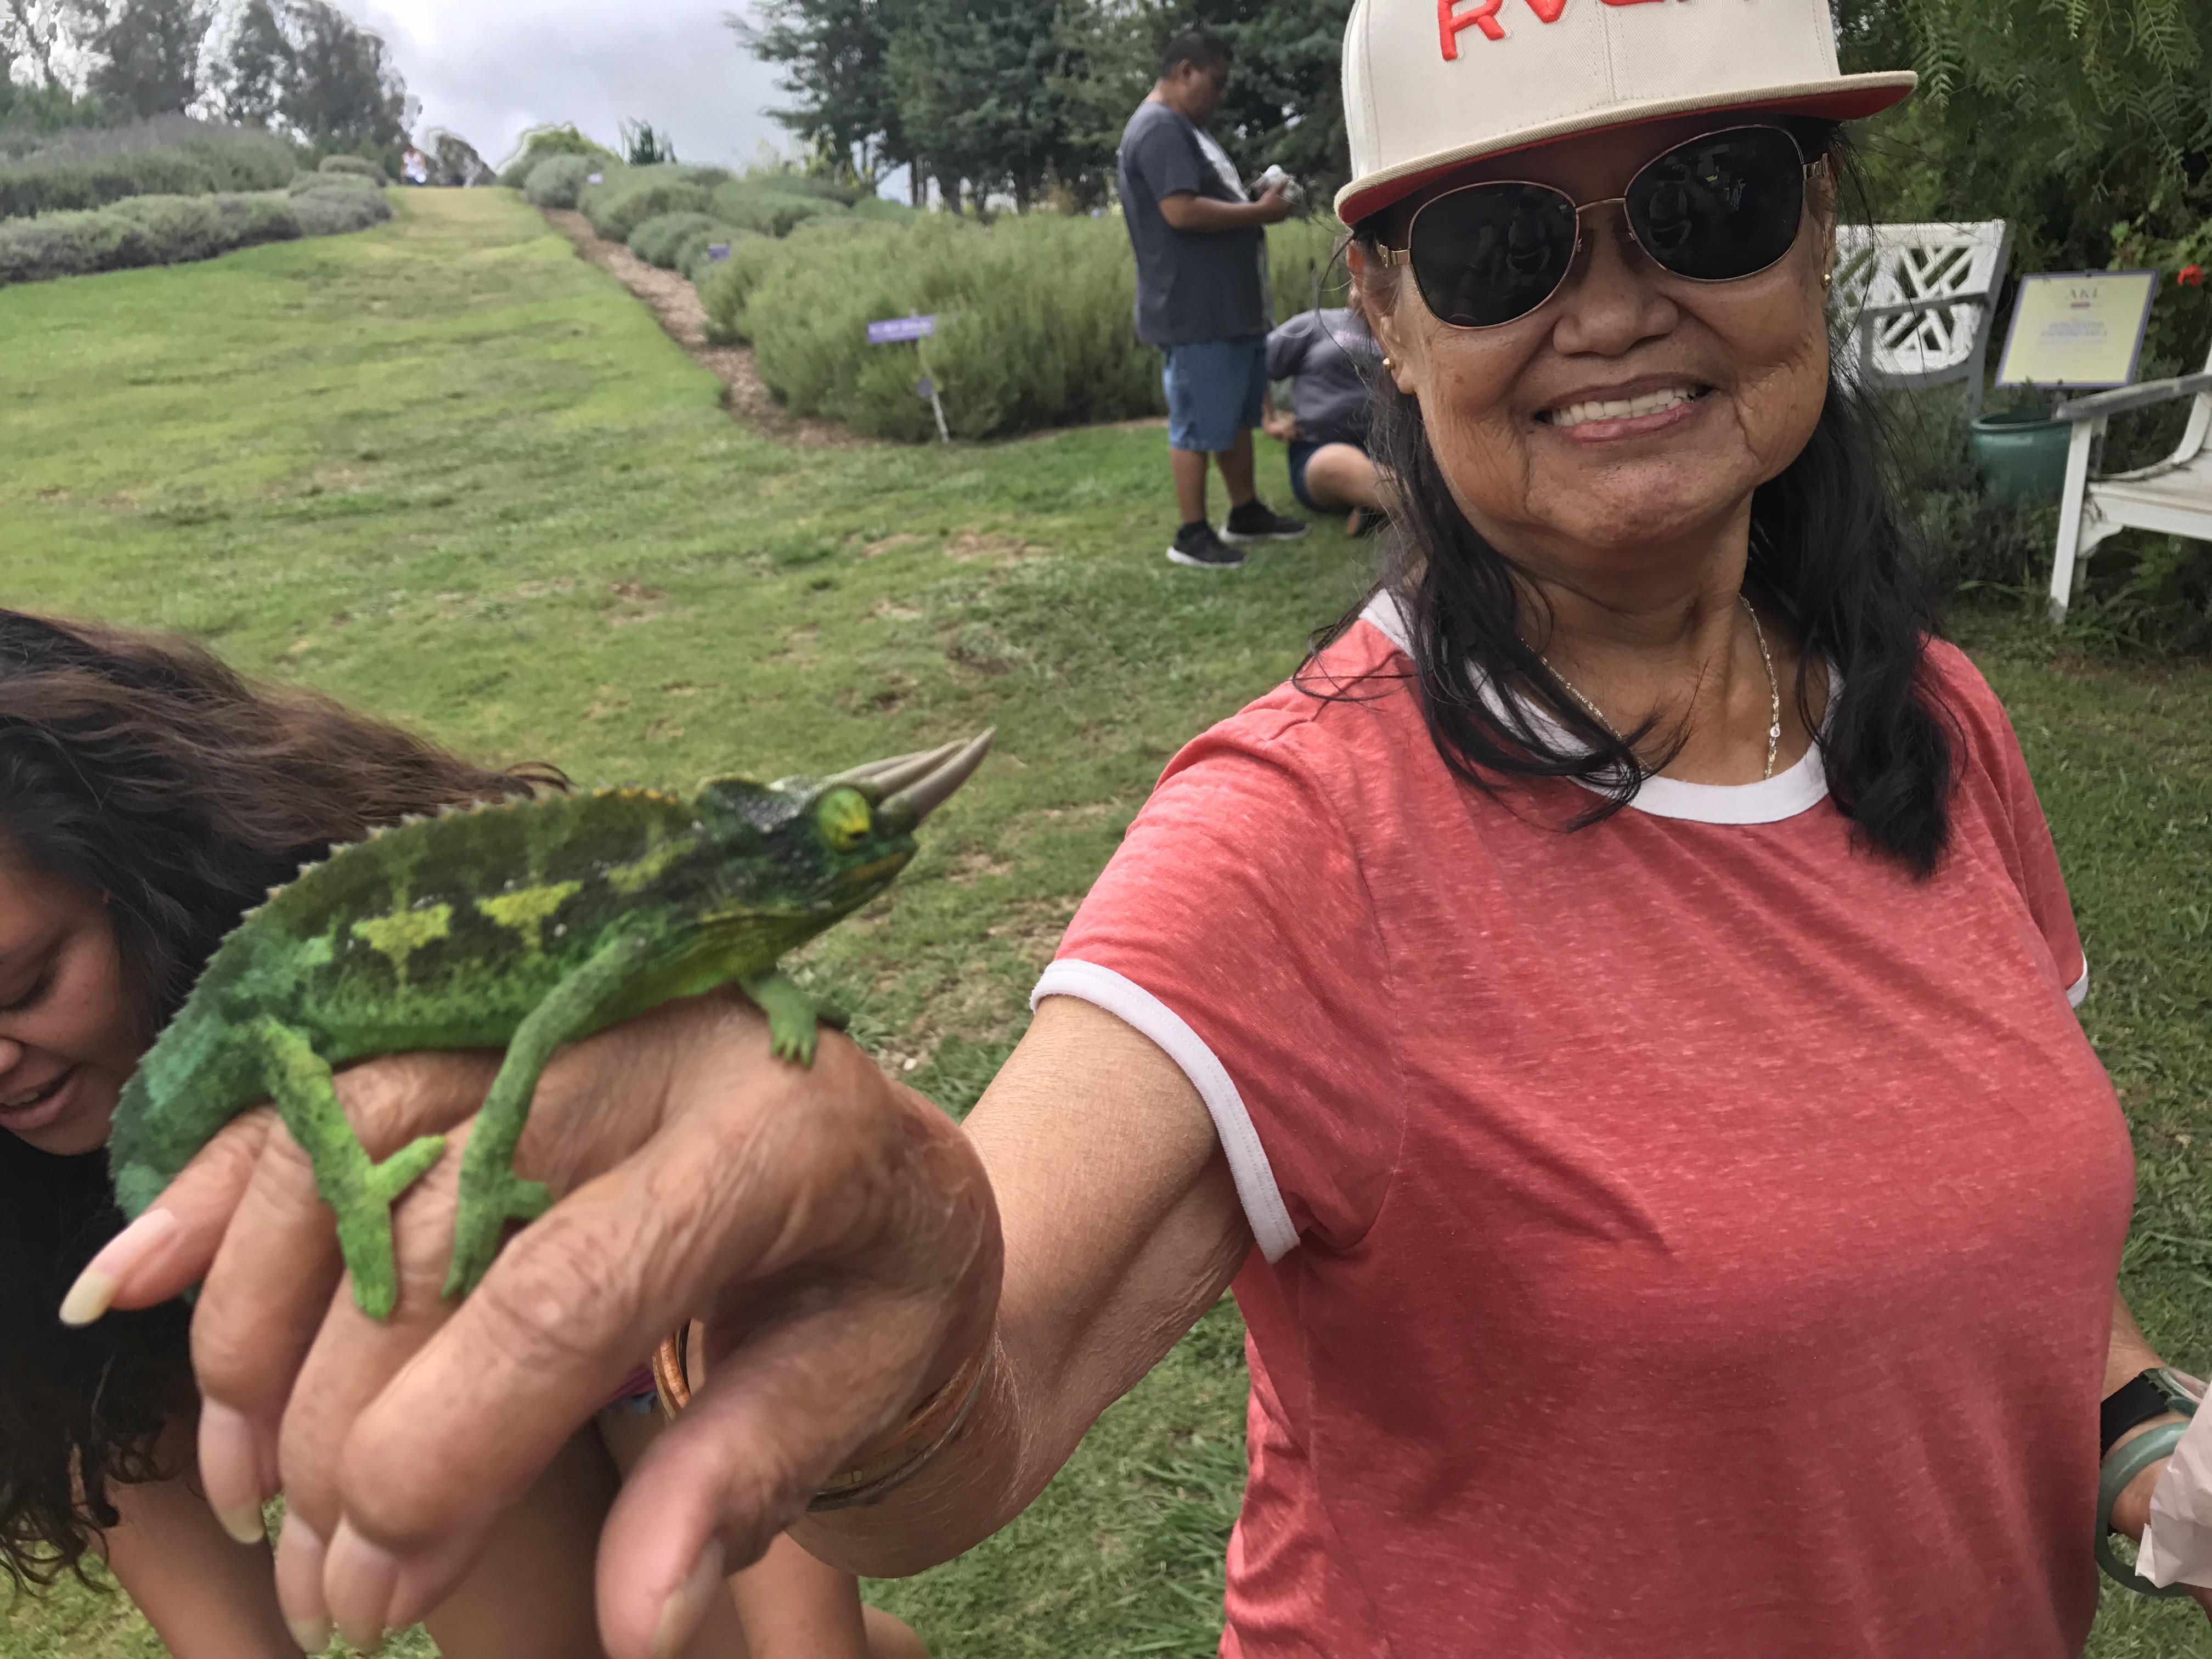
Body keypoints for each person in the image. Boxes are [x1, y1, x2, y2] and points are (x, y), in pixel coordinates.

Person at [77, 0, 2212, 1654]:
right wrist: (887, 1276)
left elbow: (2001, 1259)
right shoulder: (1296, 840)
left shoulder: (1938, 723)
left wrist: (2137, 1441)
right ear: (1381, 315)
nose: (1621, 301)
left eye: (1719, 200)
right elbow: (976, 1388)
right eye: (1492, 245)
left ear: (1821, 240)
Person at [0, 611, 921, 1659]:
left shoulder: (296, 911)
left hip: (646, 1303)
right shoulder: (42, 1208)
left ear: (132, 878)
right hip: (426, 1364)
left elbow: (736, 1231)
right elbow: (127, 1443)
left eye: (25, 983)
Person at [1118, 30, 1310, 569]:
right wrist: (1260, 214)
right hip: (1194, 311)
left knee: (1233, 415)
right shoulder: (1158, 128)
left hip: (1227, 307)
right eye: (1215, 83)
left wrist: (1247, 198)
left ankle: (1245, 512)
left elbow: (1203, 200)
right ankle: (1191, 533)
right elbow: (1178, 211)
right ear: (1184, 71)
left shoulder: (1185, 129)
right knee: (1198, 422)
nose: (1219, 96)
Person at [1260, 298, 1395, 535]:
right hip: (1321, 448)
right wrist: (1268, 420)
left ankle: (1377, 506)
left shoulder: (1399, 332)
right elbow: (1256, 365)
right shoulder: (1316, 323)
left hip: (1393, 448)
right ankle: (1435, 511)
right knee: (1338, 466)